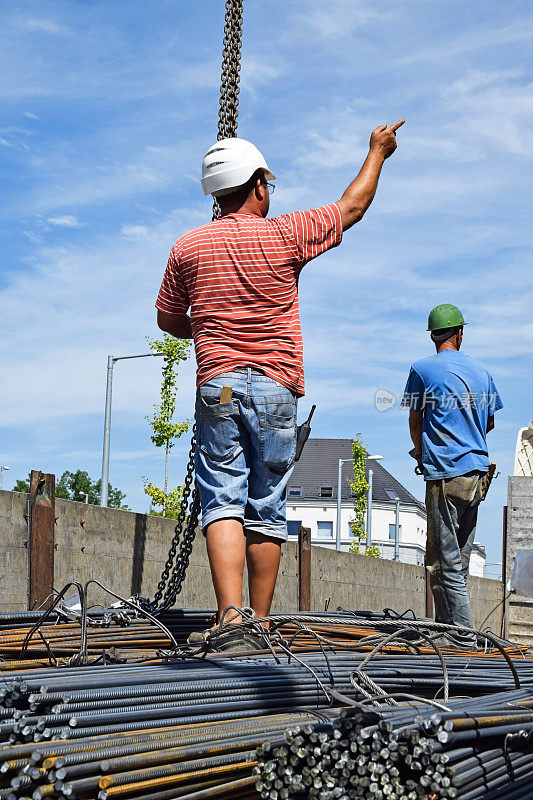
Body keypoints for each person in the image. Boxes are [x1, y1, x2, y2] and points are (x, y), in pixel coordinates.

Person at [156, 120, 405, 649]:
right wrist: (378, 153)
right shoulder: (285, 234)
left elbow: (168, 319)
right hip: (274, 387)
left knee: (220, 498)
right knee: (266, 502)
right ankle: (262, 623)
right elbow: (350, 209)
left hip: (218, 387)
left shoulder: (188, 247)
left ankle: (230, 618)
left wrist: (211, 325)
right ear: (257, 186)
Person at [403, 304, 503, 646]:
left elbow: (416, 420)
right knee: (455, 559)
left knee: (444, 560)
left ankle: (463, 637)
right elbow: (489, 421)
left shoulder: (421, 370)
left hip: (445, 474)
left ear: (433, 336)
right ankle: (447, 631)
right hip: (478, 474)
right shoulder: (483, 372)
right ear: (459, 333)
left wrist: (420, 450)